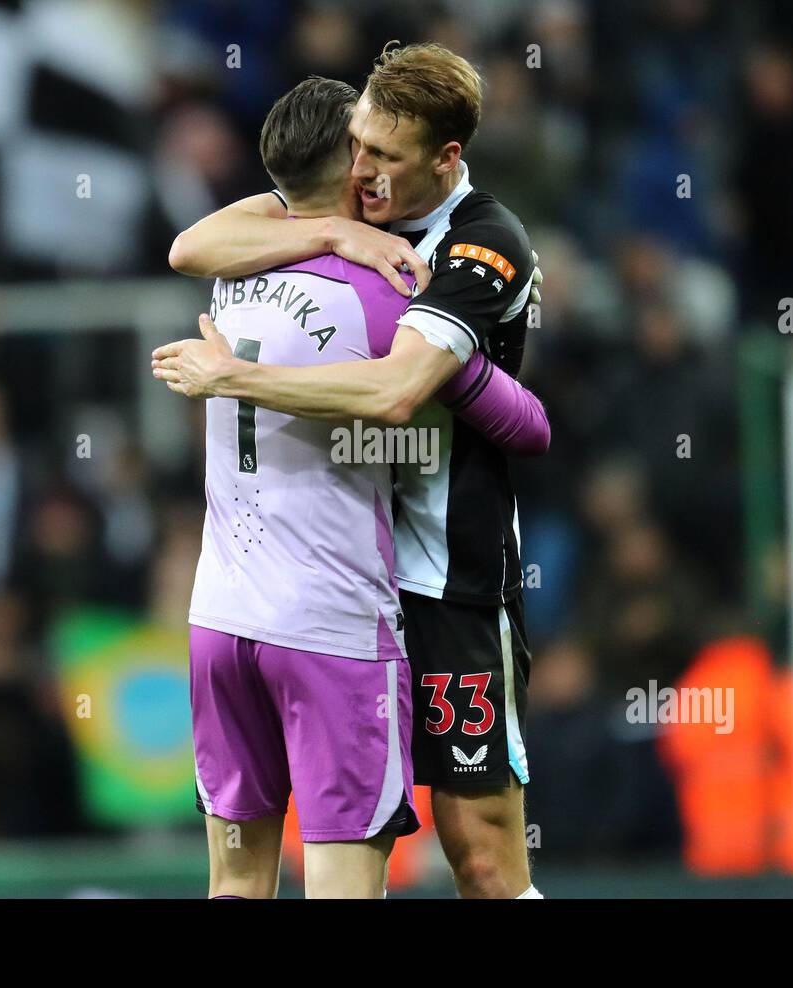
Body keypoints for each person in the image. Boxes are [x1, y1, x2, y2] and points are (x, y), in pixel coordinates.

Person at [157, 43, 547, 899]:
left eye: (385, 157)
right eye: (359, 147)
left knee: (479, 856)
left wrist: (235, 376)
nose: (366, 172)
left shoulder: (481, 243)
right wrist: (332, 228)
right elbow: (191, 244)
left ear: (444, 159)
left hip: (444, 579)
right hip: (336, 590)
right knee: (330, 858)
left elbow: (414, 393)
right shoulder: (341, 209)